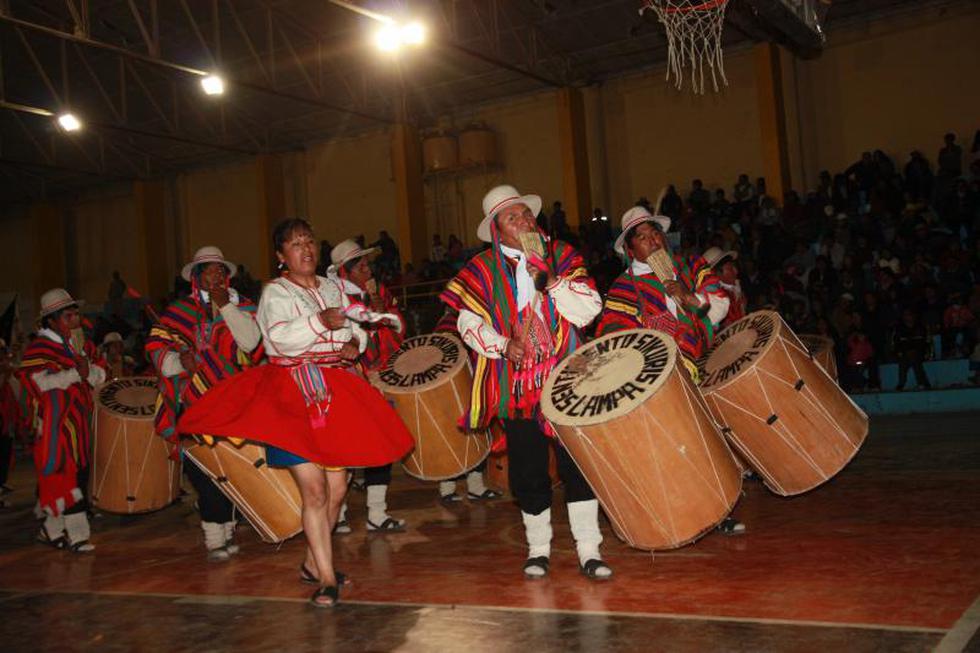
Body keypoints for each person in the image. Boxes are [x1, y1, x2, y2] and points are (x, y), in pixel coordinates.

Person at [177, 218, 414, 608]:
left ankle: (310, 563)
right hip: (294, 394)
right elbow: (276, 338)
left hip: (335, 389)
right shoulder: (275, 292)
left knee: (338, 488)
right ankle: (325, 578)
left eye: (309, 242)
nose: (305, 249)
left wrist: (355, 341)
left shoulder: (335, 286)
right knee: (316, 489)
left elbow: (357, 326)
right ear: (281, 256)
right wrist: (319, 322)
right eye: (295, 244)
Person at [440, 184, 612, 580]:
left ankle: (589, 549)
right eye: (511, 217)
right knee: (528, 467)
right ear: (497, 230)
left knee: (579, 464)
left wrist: (550, 281)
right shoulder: (481, 270)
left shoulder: (563, 256)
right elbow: (467, 323)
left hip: (569, 376)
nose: (523, 221)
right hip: (516, 384)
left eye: (526, 214)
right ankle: (538, 549)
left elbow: (589, 311)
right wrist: (502, 346)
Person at [596, 204, 743, 535]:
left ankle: (720, 509)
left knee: (706, 441)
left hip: (696, 365)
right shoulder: (622, 288)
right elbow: (611, 339)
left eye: (655, 233)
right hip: (652, 381)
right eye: (643, 238)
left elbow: (718, 306)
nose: (653, 241)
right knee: (670, 448)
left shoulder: (690, 266)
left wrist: (687, 296)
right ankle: (674, 511)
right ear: (630, 249)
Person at [145, 246, 264, 561]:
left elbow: (252, 344)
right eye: (208, 270)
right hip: (194, 401)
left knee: (232, 465)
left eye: (219, 270)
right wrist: (179, 361)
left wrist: (227, 308)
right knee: (205, 468)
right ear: (196, 278)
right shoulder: (179, 312)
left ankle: (226, 529)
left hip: (234, 401)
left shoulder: (244, 307)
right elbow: (156, 348)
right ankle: (214, 536)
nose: (215, 275)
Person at [327, 238, 409, 532]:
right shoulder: (333, 297)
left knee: (381, 442)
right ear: (346, 271)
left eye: (367, 264)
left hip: (380, 376)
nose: (368, 268)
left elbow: (400, 331)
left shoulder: (380, 292)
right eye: (361, 265)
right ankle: (338, 513)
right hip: (350, 378)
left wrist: (383, 312)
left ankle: (377, 512)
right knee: (345, 445)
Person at [17, 289, 106, 552]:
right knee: (66, 476)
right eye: (69, 315)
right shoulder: (40, 348)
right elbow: (39, 383)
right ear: (52, 321)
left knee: (74, 475)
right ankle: (78, 535)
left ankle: (51, 529)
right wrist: (74, 374)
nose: (76, 319)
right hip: (56, 425)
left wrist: (88, 371)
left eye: (76, 314)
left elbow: (100, 375)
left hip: (78, 420)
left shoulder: (80, 345)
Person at [702, 247, 746, 330]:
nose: (736, 271)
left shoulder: (735, 289)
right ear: (717, 273)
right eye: (730, 269)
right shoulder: (717, 297)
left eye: (734, 267)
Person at [893, 309, 931, 391]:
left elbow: (923, 343)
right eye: (905, 315)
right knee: (903, 362)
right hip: (905, 353)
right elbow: (897, 344)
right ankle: (902, 383)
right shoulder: (899, 329)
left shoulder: (920, 328)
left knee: (914, 359)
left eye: (909, 315)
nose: (907, 317)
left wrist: (915, 350)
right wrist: (903, 352)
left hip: (919, 353)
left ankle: (922, 383)